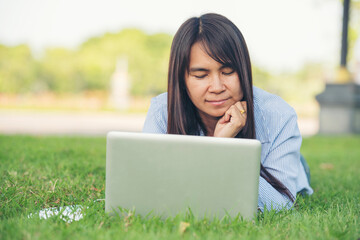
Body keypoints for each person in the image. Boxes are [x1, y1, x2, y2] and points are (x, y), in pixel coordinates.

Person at [142, 13, 313, 211]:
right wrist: (218, 147)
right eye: (200, 75)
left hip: (283, 168)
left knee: (298, 168)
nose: (216, 87)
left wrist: (228, 151)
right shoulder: (161, 111)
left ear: (243, 71)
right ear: (182, 79)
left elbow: (280, 205)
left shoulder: (279, 115)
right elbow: (153, 187)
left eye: (228, 72)